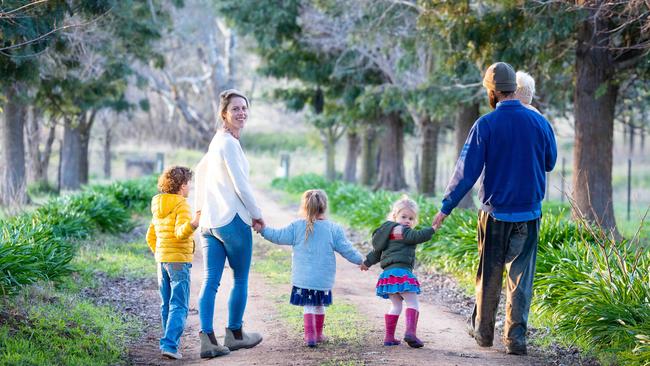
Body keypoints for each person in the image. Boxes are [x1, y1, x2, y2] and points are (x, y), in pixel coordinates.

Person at [432, 62, 557, 355]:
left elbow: (467, 171)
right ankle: (516, 340)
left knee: (489, 275)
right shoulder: (540, 122)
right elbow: (549, 162)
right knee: (520, 279)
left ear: (492, 91)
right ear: (515, 87)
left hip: (495, 213)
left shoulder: (486, 125)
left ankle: (484, 333)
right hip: (529, 213)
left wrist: (445, 207)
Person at [193, 89, 264, 359]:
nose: (241, 112)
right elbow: (241, 186)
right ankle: (234, 334)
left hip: (210, 224)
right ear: (224, 113)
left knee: (210, 280)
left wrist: (199, 212)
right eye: (235, 108)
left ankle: (208, 340)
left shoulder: (217, 141)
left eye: (244, 108)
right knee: (240, 278)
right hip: (231, 220)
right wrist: (257, 214)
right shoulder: (230, 144)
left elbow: (200, 172)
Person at [255, 189, 364, 347]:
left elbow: (277, 236)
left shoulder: (296, 226)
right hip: (322, 279)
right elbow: (347, 249)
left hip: (303, 279)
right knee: (319, 305)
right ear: (324, 207)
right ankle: (318, 334)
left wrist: (262, 230)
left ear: (304, 207)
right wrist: (361, 261)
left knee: (308, 305)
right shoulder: (333, 229)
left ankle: (310, 336)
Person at [360, 196, 436, 348]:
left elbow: (376, 252)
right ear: (395, 216)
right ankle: (410, 333)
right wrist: (432, 229)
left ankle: (389, 338)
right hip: (401, 273)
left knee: (396, 305)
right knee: (412, 302)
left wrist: (366, 262)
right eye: (404, 216)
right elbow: (417, 236)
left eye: (411, 218)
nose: (407, 220)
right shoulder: (403, 231)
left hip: (388, 275)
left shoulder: (386, 233)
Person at [146, 166, 200, 360]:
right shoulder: (182, 204)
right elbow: (179, 233)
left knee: (166, 303)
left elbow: (150, 236)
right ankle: (170, 344)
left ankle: (168, 342)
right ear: (182, 185)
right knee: (179, 304)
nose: (190, 188)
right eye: (189, 184)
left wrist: (161, 253)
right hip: (178, 261)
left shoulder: (157, 204)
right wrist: (194, 223)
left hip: (162, 261)